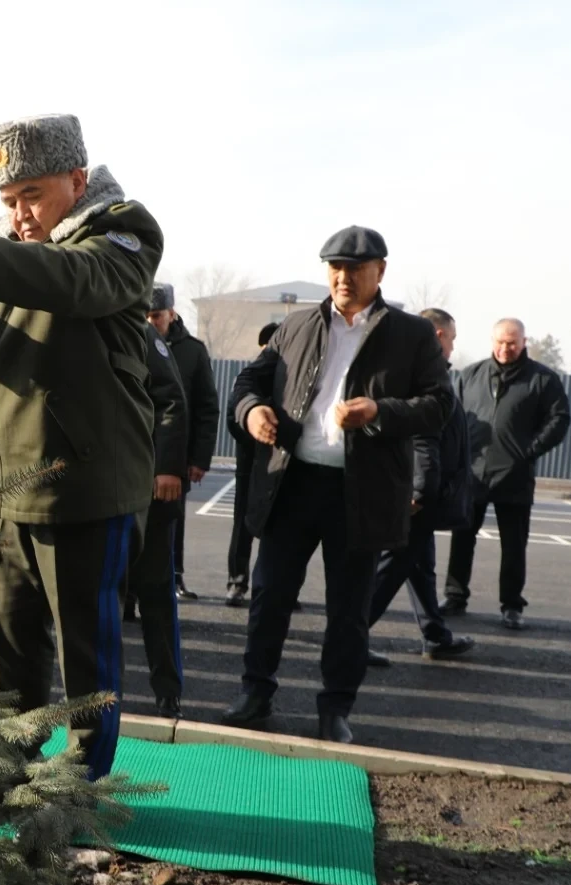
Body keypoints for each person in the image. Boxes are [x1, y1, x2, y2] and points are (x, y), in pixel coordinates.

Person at [0, 113, 160, 779]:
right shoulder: (2, 250)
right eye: (9, 200)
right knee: (14, 647)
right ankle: (10, 763)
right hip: (9, 488)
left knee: (86, 654)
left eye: (32, 196)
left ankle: (81, 781)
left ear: (78, 181)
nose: (19, 215)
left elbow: (70, 281)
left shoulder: (122, 233)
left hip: (85, 490)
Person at [222, 226, 452, 744]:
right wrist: (252, 410)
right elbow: (249, 381)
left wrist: (379, 412)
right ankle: (255, 693)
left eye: (355, 269)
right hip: (292, 483)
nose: (343, 277)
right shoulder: (297, 325)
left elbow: (439, 405)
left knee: (348, 611)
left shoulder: (412, 335)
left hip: (361, 491)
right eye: (335, 268)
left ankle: (335, 708)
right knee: (269, 595)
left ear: (380, 271)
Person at [444, 318, 571, 630]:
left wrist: (529, 451)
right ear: (492, 341)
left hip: (515, 476)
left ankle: (512, 605)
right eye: (500, 342)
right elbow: (452, 416)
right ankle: (455, 596)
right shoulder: (471, 375)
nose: (505, 348)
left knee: (514, 545)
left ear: (524, 342)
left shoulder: (543, 380)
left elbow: (559, 419)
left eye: (512, 343)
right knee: (462, 539)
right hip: (473, 473)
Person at [366, 308, 475, 667]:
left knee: (419, 566)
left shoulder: (415, 368)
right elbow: (423, 439)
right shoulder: (425, 374)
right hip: (419, 494)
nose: (453, 347)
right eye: (452, 339)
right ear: (439, 336)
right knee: (392, 568)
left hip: (423, 491)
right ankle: (349, 636)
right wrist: (421, 492)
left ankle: (435, 635)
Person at [125, 323, 190, 716]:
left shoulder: (140, 331)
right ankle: (93, 699)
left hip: (145, 489)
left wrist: (167, 466)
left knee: (156, 593)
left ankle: (168, 692)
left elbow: (171, 401)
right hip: (91, 492)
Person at [146, 283, 218, 601]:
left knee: (171, 522)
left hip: (176, 455)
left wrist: (199, 459)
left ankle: (173, 578)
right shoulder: (130, 341)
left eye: (156, 316)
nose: (150, 323)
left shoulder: (192, 351)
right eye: (145, 316)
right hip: (137, 453)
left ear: (172, 314)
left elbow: (206, 408)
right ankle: (130, 592)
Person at [224, 322, 280, 607]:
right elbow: (233, 419)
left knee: (282, 530)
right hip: (250, 462)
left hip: (282, 466)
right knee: (242, 525)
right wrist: (256, 430)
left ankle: (281, 587)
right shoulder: (249, 378)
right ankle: (237, 582)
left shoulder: (290, 381)